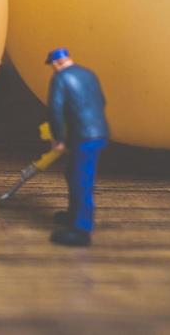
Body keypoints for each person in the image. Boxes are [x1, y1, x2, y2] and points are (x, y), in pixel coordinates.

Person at [44, 48, 108, 247]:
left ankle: (81, 228)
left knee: (82, 179)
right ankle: (74, 214)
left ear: (56, 63)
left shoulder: (60, 79)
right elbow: (102, 101)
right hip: (98, 132)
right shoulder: (88, 73)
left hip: (83, 137)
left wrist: (59, 138)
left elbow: (55, 111)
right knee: (73, 174)